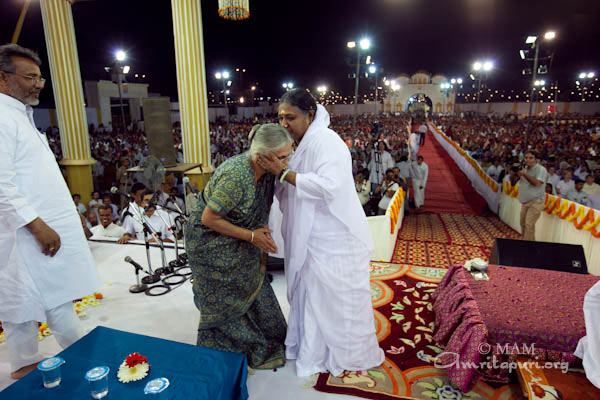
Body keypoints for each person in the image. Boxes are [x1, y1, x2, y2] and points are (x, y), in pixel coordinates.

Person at [257, 89, 384, 377]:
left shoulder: (327, 142)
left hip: (333, 239)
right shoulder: (299, 144)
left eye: (291, 117)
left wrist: (283, 173)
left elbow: (330, 187)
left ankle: (345, 353)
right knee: (309, 296)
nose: (284, 123)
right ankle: (310, 349)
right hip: (310, 238)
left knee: (334, 300)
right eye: (280, 117)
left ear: (310, 115)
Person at [0, 43, 99, 379]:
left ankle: (23, 362)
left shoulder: (17, 115)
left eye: (40, 78)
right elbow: (2, 183)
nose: (39, 84)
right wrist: (37, 225)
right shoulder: (1, 116)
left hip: (27, 230)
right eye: (30, 77)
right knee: (52, 297)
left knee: (23, 300)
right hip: (26, 231)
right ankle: (86, 360)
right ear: (3, 78)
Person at [185, 123, 290, 370]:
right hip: (210, 244)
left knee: (253, 283)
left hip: (238, 239)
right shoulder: (236, 175)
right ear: (263, 156)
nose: (286, 163)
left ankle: (265, 338)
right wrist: (252, 236)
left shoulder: (264, 173)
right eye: (283, 157)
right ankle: (236, 344)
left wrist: (257, 233)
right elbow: (208, 219)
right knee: (227, 295)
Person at [518, 151, 547, 241]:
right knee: (522, 223)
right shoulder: (524, 169)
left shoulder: (541, 169)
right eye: (526, 158)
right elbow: (512, 183)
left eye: (531, 158)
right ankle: (529, 242)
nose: (527, 160)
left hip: (536, 201)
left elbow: (537, 183)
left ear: (536, 159)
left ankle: (528, 247)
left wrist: (525, 174)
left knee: (529, 224)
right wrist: (514, 173)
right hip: (525, 201)